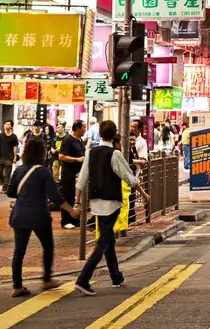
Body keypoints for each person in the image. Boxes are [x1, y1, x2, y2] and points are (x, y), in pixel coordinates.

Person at [74, 120, 149, 296]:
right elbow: (130, 178)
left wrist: (77, 203)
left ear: (99, 134)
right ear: (115, 134)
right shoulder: (114, 154)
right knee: (103, 241)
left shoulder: (90, 152)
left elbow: (82, 180)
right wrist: (144, 195)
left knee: (108, 240)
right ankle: (83, 279)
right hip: (112, 203)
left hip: (96, 204)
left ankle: (116, 276)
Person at [8, 138, 79, 297]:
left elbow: (10, 192)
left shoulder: (18, 170)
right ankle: (47, 280)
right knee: (47, 246)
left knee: (19, 251)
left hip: (20, 215)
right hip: (39, 215)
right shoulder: (43, 171)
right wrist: (71, 211)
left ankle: (17, 286)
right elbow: (55, 196)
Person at [58, 121, 86, 229]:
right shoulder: (68, 140)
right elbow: (62, 156)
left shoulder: (81, 141)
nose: (85, 130)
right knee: (67, 196)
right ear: (78, 128)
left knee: (76, 198)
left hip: (79, 174)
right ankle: (65, 220)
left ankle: (75, 219)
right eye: (83, 128)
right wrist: (77, 159)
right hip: (68, 174)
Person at [0, 121, 20, 194]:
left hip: (9, 157)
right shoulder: (0, 135)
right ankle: (5, 183)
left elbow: (15, 147)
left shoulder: (14, 136)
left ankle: (5, 188)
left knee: (7, 174)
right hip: (0, 157)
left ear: (11, 126)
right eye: (5, 124)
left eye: (8, 124)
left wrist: (15, 157)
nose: (6, 125)